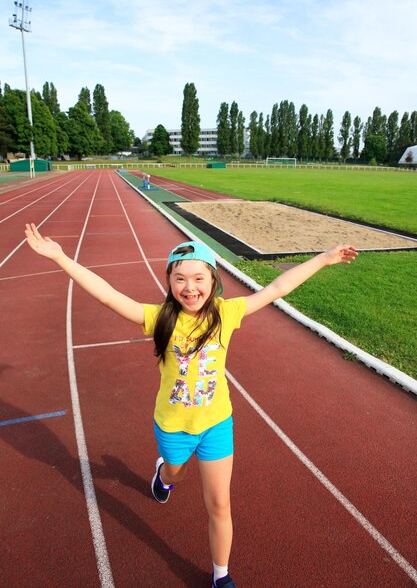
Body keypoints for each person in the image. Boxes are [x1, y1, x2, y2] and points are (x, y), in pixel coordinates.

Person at [24, 223, 358, 588]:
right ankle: (163, 476)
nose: (189, 287)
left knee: (219, 506)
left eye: (198, 278)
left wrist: (324, 260)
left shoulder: (226, 314)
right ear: (169, 282)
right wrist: (60, 258)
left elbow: (277, 287)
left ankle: (221, 575)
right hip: (174, 426)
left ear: (213, 280)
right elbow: (107, 295)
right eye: (179, 279)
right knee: (175, 475)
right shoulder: (160, 318)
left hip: (217, 424)